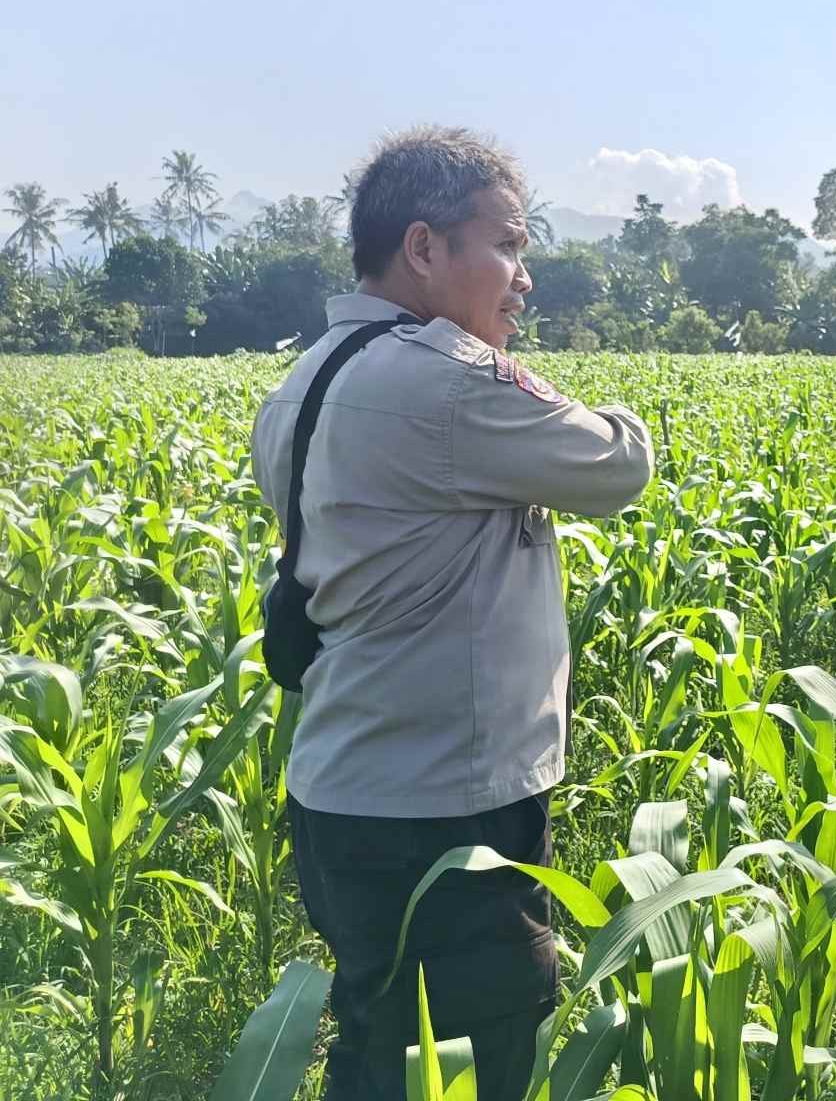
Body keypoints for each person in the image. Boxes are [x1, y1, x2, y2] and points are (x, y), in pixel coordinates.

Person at [250, 126, 654, 1100]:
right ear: (425, 249)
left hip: (344, 796)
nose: (522, 279)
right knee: (478, 1061)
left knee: (379, 1045)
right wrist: (511, 369)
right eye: (508, 246)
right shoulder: (444, 379)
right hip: (446, 811)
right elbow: (620, 462)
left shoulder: (303, 385)